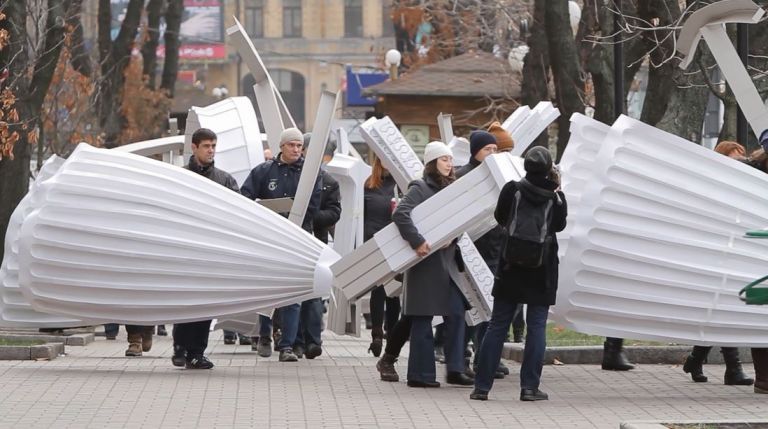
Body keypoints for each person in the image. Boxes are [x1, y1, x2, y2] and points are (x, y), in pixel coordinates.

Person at [470, 146, 567, 401]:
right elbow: (559, 225)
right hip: (542, 269)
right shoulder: (556, 198)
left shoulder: (512, 190)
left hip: (510, 266)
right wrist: (556, 187)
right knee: (536, 327)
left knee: (497, 325)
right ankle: (529, 388)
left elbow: (501, 217)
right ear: (549, 170)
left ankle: (482, 387)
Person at [392, 141, 473, 388]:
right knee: (422, 319)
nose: (450, 164)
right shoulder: (420, 187)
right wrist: (418, 242)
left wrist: (453, 238)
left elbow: (456, 221)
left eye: (450, 159)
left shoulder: (449, 188)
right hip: (425, 263)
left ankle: (455, 369)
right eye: (444, 159)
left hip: (446, 263)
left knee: (457, 312)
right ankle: (420, 375)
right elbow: (400, 214)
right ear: (432, 162)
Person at [241, 127, 322, 362]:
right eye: (291, 145)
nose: (296, 149)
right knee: (267, 291)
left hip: (298, 239)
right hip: (269, 240)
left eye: (299, 145)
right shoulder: (264, 171)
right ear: (281, 147)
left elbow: (314, 205)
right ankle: (264, 335)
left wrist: (295, 212)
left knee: (293, 294)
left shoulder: (309, 173)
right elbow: (245, 198)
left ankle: (287, 345)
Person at [172, 128, 239, 369]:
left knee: (205, 303)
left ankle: (197, 352)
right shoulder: (180, 177)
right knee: (185, 302)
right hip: (186, 251)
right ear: (194, 147)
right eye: (206, 146)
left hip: (212, 253)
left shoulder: (225, 180)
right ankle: (180, 347)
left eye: (213, 146)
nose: (211, 150)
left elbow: (237, 213)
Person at [455, 130, 506, 380]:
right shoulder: (464, 177)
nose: (492, 154)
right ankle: (462, 358)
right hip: (470, 251)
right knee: (470, 308)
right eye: (488, 149)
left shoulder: (498, 177)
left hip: (495, 251)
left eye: (495, 150)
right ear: (475, 151)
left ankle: (486, 359)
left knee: (491, 308)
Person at [291, 133, 341, 359]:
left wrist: (310, 218)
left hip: (316, 243)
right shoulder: (293, 177)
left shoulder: (329, 182)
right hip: (291, 242)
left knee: (313, 294)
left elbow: (334, 213)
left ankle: (313, 341)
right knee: (293, 295)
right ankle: (295, 341)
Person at [363, 155, 401, 357]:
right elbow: (360, 216)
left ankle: (392, 333)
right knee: (378, 290)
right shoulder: (368, 185)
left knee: (394, 292)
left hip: (397, 243)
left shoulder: (403, 184)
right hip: (374, 243)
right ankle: (377, 334)